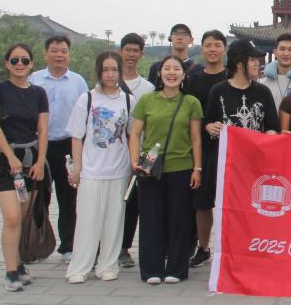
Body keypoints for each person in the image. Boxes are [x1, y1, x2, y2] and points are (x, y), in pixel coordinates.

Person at [196, 39, 281, 266]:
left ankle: (248, 248)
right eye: (252, 60)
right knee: (209, 203)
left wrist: (266, 138)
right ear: (239, 63)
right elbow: (207, 121)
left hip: (252, 163)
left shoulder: (262, 92)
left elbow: (273, 125)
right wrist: (210, 127)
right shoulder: (218, 91)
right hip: (221, 159)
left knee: (247, 207)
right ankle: (204, 248)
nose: (257, 64)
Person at [129, 56, 203, 285]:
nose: (172, 73)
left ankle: (176, 269)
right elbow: (135, 133)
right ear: (159, 73)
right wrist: (134, 161)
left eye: (177, 69)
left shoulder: (191, 102)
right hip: (150, 168)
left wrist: (197, 168)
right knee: (151, 218)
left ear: (184, 74)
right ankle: (151, 268)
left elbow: (195, 138)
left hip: (182, 167)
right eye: (167, 68)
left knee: (179, 219)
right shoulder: (147, 100)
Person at [64, 52, 135, 284]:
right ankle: (80, 266)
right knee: (87, 219)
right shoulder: (87, 99)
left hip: (119, 169)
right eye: (106, 70)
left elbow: (133, 135)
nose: (110, 74)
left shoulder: (128, 100)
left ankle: (108, 264)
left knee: (114, 221)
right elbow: (76, 137)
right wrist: (77, 168)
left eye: (114, 69)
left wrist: (133, 165)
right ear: (99, 71)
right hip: (91, 170)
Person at [0, 43, 49, 291]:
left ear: (32, 64)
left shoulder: (38, 93)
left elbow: (43, 129)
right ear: (7, 64)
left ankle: (20, 263)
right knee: (11, 217)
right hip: (4, 160)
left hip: (30, 160)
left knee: (22, 215)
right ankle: (10, 271)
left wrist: (41, 161)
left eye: (24, 60)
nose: (19, 64)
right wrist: (10, 156)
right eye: (14, 60)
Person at [28, 35, 88, 263]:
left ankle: (68, 246)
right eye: (54, 50)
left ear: (69, 55)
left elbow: (85, 114)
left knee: (68, 197)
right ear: (45, 54)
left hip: (67, 145)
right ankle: (37, 244)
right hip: (39, 146)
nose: (59, 55)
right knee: (38, 197)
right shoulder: (34, 79)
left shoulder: (78, 82)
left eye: (63, 51)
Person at [185, 30, 229, 268]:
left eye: (217, 45)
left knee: (230, 202)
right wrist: (205, 126)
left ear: (224, 49)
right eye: (208, 45)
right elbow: (188, 114)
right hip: (202, 146)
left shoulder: (232, 77)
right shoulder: (193, 80)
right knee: (202, 201)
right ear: (202, 49)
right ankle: (203, 248)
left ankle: (229, 248)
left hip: (231, 149)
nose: (213, 49)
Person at [118, 32, 155, 269]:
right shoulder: (106, 82)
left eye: (135, 51)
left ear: (141, 54)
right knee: (110, 200)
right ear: (120, 51)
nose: (131, 54)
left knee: (131, 200)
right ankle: (102, 246)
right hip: (110, 152)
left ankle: (124, 248)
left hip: (138, 151)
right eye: (127, 50)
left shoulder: (148, 87)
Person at [261, 33, 291, 113]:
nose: (286, 53)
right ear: (275, 52)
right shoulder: (263, 84)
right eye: (282, 49)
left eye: (290, 50)